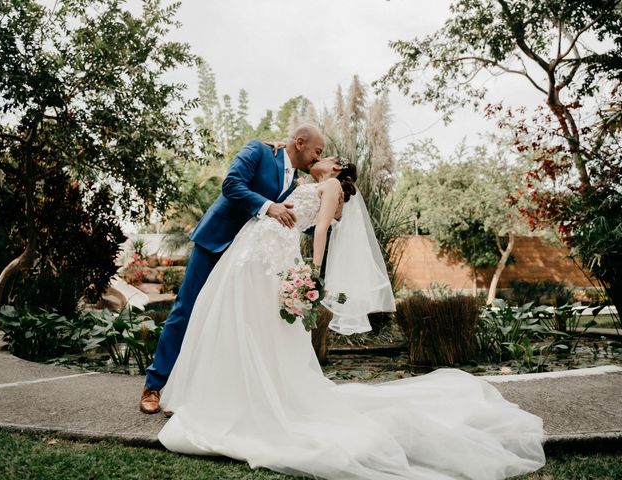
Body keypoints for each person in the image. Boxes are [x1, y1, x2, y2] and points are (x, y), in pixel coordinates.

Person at [157, 156, 546, 480]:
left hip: (277, 254)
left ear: (336, 167)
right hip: (266, 251)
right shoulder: (312, 181)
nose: (316, 159)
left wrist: (312, 271)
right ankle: (241, 391)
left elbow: (321, 228)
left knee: (259, 326)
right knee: (252, 325)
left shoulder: (332, 188)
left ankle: (258, 397)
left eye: (323, 156)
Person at [139, 124, 325, 414]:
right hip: (217, 243)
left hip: (248, 259)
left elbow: (301, 221)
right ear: (300, 142)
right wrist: (268, 206)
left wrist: (334, 213)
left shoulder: (298, 182)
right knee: (186, 310)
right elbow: (232, 185)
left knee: (231, 321)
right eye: (317, 151)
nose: (318, 157)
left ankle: (198, 392)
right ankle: (154, 385)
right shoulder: (258, 150)